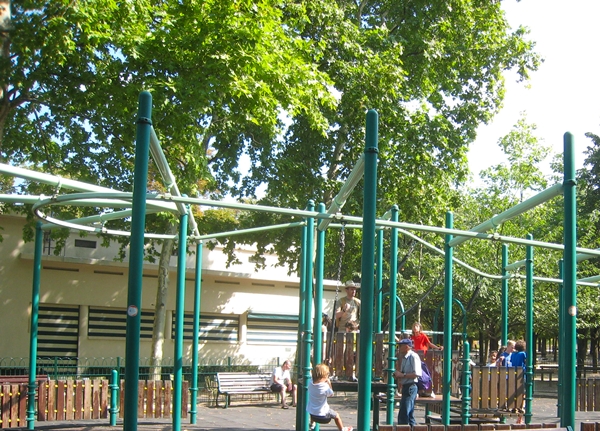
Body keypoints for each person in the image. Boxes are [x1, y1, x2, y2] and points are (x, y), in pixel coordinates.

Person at [307, 363, 353, 431]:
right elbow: (331, 394)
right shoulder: (325, 387)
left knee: (312, 407)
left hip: (313, 415)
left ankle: (312, 423)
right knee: (337, 416)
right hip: (323, 415)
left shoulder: (310, 383)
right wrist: (329, 383)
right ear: (324, 376)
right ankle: (342, 429)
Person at [393, 338, 422, 425]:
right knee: (409, 415)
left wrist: (403, 375)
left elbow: (417, 373)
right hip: (406, 386)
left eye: (400, 346)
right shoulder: (404, 357)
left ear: (406, 347)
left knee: (404, 414)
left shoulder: (413, 356)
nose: (398, 348)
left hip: (411, 386)